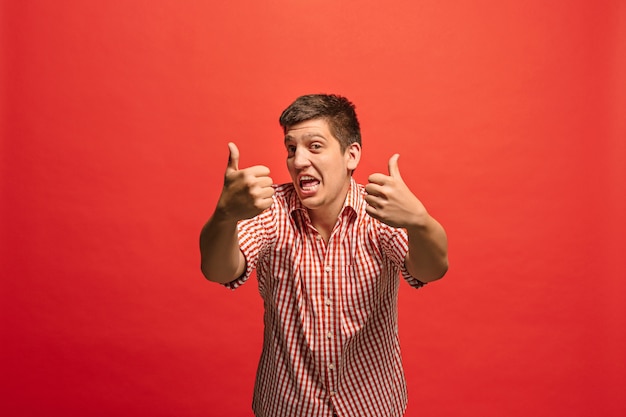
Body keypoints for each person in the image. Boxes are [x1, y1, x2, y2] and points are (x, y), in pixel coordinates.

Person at [199, 94, 448, 417]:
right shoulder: (270, 211)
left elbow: (431, 270)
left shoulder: (381, 210)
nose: (298, 160)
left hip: (371, 405)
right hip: (287, 406)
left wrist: (420, 221)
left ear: (351, 155)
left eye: (314, 146)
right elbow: (219, 271)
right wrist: (224, 215)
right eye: (291, 149)